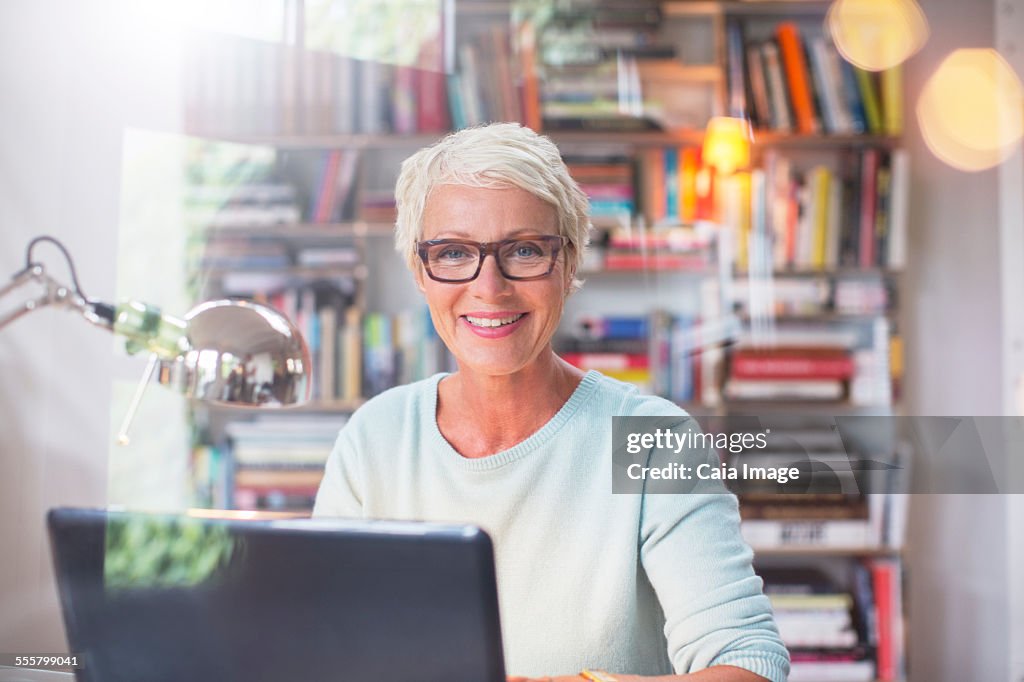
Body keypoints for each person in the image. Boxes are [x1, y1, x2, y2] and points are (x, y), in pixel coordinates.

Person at [313, 122, 790, 682]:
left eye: (523, 250)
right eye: (453, 252)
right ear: (421, 272)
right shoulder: (377, 436)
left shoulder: (653, 441)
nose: (489, 287)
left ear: (568, 266)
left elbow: (749, 666)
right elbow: (324, 648)